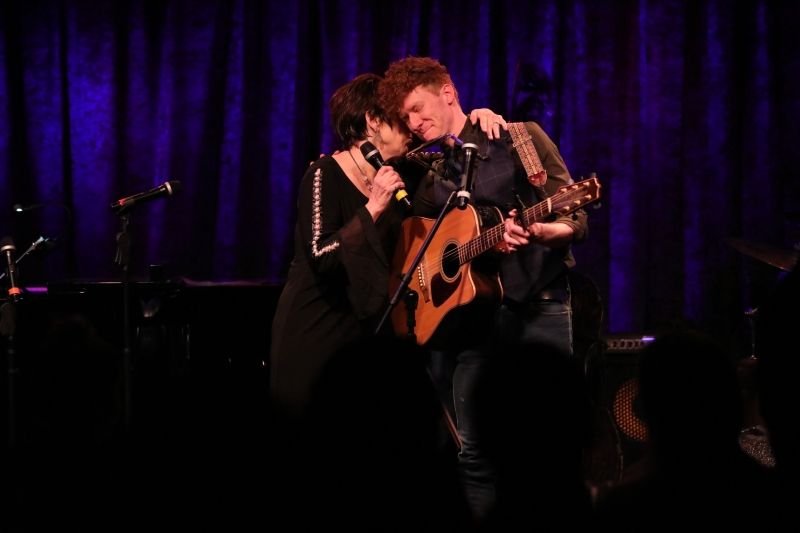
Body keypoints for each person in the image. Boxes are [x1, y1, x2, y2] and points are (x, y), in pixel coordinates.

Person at [379, 56, 590, 526]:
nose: (414, 124)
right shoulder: (435, 172)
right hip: (473, 321)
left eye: (418, 109)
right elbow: (419, 242)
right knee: (474, 452)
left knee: (548, 445)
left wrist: (544, 231)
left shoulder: (519, 137)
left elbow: (575, 215)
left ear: (447, 91)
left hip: (540, 303)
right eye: (407, 118)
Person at [269, 72, 507, 421]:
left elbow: (454, 169)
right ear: (373, 121)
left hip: (373, 330)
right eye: (400, 119)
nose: (411, 127)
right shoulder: (324, 173)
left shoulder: (405, 173)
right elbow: (321, 256)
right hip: (316, 328)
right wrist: (373, 208)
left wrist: (480, 118)